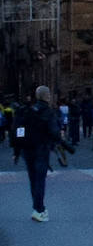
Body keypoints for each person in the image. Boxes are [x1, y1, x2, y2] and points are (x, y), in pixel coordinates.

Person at [15, 85, 69, 222]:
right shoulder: (48, 112)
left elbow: (18, 130)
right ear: (46, 96)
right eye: (49, 94)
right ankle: (39, 209)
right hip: (41, 149)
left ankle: (37, 208)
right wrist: (61, 143)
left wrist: (17, 150)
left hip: (27, 150)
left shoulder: (28, 111)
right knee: (40, 180)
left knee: (33, 180)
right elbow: (54, 132)